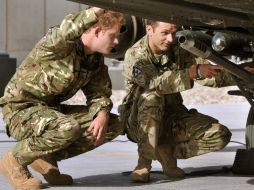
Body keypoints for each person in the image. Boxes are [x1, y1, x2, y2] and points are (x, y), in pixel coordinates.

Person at [0, 7, 124, 189]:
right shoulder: (60, 45)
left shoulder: (94, 61)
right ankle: (14, 161)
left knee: (113, 125)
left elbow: (99, 93)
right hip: (21, 111)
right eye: (113, 35)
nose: (117, 41)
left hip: (50, 113)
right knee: (68, 127)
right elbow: (66, 29)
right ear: (97, 31)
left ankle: (44, 156)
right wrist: (97, 11)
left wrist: (102, 113)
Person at [120, 20, 234, 182]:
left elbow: (207, 75)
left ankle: (165, 149)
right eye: (165, 33)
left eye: (174, 32)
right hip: (138, 121)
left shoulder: (177, 49)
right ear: (149, 30)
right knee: (152, 97)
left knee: (219, 135)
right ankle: (143, 163)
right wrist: (189, 74)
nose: (171, 38)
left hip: (172, 117)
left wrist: (240, 75)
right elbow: (154, 83)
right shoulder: (136, 55)